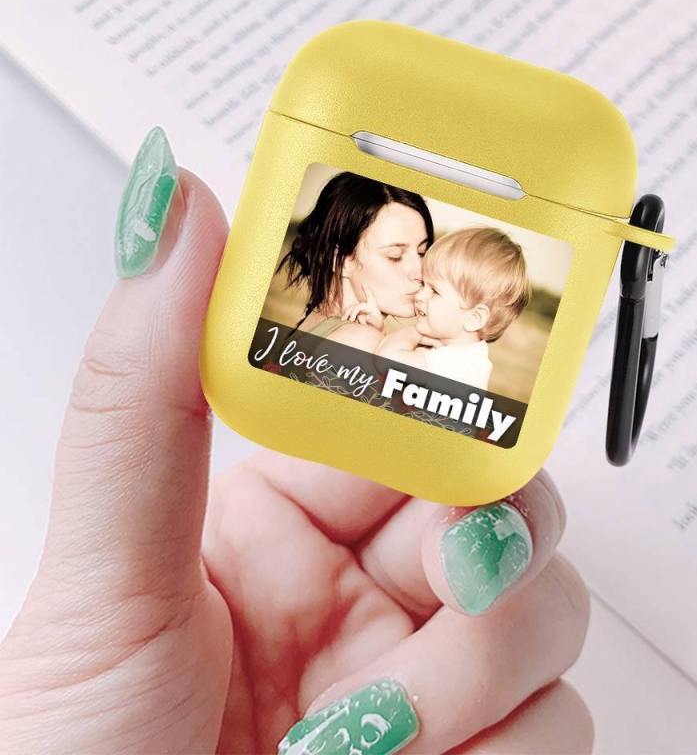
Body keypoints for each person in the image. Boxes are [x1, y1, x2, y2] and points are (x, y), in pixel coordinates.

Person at [0, 128, 594, 754]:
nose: (419, 279)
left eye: (423, 255)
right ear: (346, 259)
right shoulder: (351, 348)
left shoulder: (396, 354)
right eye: (398, 256)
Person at [277, 170, 434, 353]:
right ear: (339, 260)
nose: (420, 272)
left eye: (422, 252)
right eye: (395, 256)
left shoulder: (310, 321)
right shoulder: (361, 340)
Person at [369, 226, 531, 390]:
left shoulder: (459, 365)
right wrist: (378, 331)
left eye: (435, 291)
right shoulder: (457, 353)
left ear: (474, 318)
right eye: (424, 284)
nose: (419, 295)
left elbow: (386, 362)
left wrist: (414, 333)